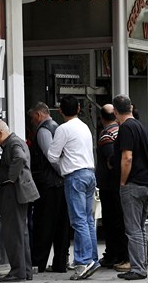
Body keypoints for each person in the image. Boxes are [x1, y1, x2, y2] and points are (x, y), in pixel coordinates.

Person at [47, 95, 100, 280]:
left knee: (78, 221)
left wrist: (63, 165)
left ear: (60, 110)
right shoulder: (84, 126)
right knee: (87, 220)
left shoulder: (63, 129)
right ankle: (92, 258)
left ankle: (84, 261)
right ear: (78, 109)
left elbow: (52, 155)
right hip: (89, 173)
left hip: (75, 176)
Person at [0, 119, 37, 282]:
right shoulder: (15, 141)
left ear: (0, 132)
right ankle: (25, 271)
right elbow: (10, 162)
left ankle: (18, 272)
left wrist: (11, 179)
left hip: (13, 192)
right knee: (21, 233)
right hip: (20, 192)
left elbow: (19, 158)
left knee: (13, 233)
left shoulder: (12, 143)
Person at [112, 94, 148, 281]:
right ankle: (142, 263)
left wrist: (122, 181)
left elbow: (127, 157)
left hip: (133, 183)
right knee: (140, 227)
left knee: (133, 229)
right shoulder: (139, 125)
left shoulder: (126, 128)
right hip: (145, 182)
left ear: (115, 111)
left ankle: (137, 268)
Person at [27, 102, 69, 273]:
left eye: (31, 118)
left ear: (38, 115)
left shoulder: (44, 130)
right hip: (59, 184)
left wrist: (62, 172)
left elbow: (51, 157)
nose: (31, 121)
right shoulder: (57, 127)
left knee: (44, 225)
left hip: (49, 184)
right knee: (61, 226)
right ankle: (60, 263)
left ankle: (39, 263)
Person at [96, 104, 129, 269]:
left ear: (101, 118)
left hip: (111, 186)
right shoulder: (121, 130)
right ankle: (118, 255)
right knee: (120, 221)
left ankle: (114, 255)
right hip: (119, 184)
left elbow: (112, 160)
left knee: (112, 222)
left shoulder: (106, 135)